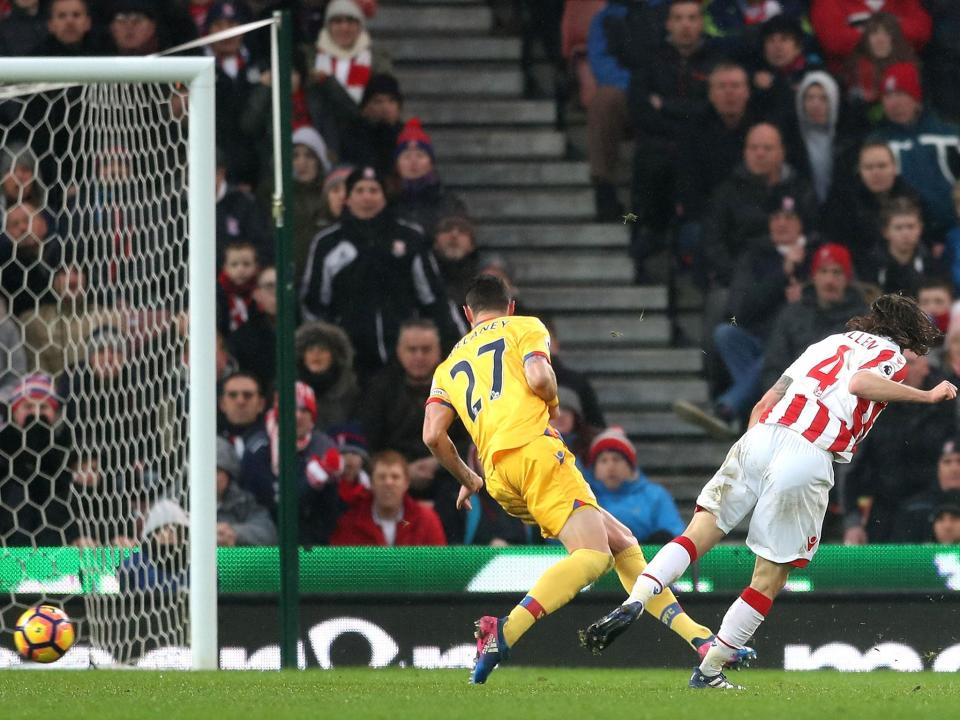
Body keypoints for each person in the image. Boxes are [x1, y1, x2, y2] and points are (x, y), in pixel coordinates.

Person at [581, 293, 955, 690]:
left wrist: (754, 452)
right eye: (916, 350)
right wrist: (926, 396)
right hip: (808, 451)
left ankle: (635, 599)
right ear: (907, 340)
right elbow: (860, 382)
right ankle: (709, 672)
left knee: (696, 536)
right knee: (769, 577)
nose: (914, 360)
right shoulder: (889, 355)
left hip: (760, 438)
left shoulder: (827, 343)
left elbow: (764, 401)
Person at [422, 274, 752, 684]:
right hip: (536, 452)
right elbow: (540, 378)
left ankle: (700, 640)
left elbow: (433, 435)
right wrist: (553, 400)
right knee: (593, 556)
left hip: (498, 476)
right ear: (509, 307)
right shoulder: (525, 327)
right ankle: (503, 630)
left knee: (623, 543)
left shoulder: (446, 367)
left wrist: (467, 477)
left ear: (468, 314)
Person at [676, 194, 811, 436]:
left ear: (801, 223)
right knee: (726, 334)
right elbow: (743, 307)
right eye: (776, 217)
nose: (781, 223)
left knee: (773, 357)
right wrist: (782, 274)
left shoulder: (817, 255)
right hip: (759, 338)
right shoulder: (754, 256)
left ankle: (728, 409)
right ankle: (756, 411)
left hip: (800, 345)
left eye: (789, 217)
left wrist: (805, 300)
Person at [300, 165, 443, 379]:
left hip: (404, 355)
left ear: (384, 196)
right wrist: (333, 343)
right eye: (359, 190)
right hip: (350, 358)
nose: (367, 196)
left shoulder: (410, 237)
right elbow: (314, 301)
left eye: (374, 190)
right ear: (347, 198)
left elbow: (432, 295)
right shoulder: (327, 243)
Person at [842, 350, 955, 543]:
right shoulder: (875, 405)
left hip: (933, 509)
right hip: (884, 506)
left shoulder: (946, 402)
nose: (902, 369)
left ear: (925, 367)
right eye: (898, 364)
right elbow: (851, 465)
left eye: (909, 363)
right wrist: (852, 522)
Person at [760, 243, 868, 391]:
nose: (829, 280)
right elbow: (774, 366)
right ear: (814, 277)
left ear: (847, 278)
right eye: (823, 272)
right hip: (794, 398)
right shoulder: (792, 314)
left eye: (837, 272)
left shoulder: (863, 319)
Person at [874, 62, 960, 240]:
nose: (894, 102)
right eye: (888, 96)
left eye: (900, 94)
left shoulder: (948, 135)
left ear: (915, 97)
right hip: (903, 234)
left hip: (951, 230)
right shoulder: (877, 143)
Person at [822, 139, 922, 277]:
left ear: (894, 168)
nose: (876, 173)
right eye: (869, 167)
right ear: (860, 171)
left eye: (882, 166)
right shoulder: (844, 203)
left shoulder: (912, 197)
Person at [0, 373, 78, 546]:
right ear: (14, 412)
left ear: (55, 413)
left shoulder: (65, 448)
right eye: (28, 407)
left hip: (55, 540)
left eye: (43, 408)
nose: (35, 414)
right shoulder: (3, 444)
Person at [585, 428, 685, 544]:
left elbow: (675, 534)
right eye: (603, 461)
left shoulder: (655, 496)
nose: (610, 467)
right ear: (595, 469)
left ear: (631, 467)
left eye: (616, 459)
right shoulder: (584, 497)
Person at [329, 450, 446, 546]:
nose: (388, 483)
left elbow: (440, 569)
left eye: (395, 477)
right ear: (371, 483)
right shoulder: (350, 523)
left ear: (406, 483)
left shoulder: (426, 521)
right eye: (381, 477)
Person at [392, 118, 467, 239]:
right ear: (397, 165)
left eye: (420, 155)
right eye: (406, 156)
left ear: (430, 163)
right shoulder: (387, 201)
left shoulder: (448, 203)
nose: (413, 162)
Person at [295, 320, 360, 432]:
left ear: (334, 356)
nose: (316, 354)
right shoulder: (288, 388)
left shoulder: (350, 390)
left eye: (322, 349)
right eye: (310, 350)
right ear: (302, 356)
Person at [889, 440, 960, 542]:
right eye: (947, 462)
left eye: (959, 461)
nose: (954, 469)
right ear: (938, 468)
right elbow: (900, 553)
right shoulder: (915, 508)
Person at [215, 437, 277, 546]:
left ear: (229, 475)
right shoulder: (180, 499)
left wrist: (233, 532)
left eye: (217, 471)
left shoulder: (242, 501)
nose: (210, 477)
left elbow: (268, 534)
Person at [227, 265, 277, 391]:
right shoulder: (241, 338)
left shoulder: (305, 333)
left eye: (281, 284)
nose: (277, 291)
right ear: (256, 294)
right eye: (270, 286)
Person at [217, 240, 260, 335]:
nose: (240, 270)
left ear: (256, 267)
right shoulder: (217, 293)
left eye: (246, 264)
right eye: (234, 264)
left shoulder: (260, 294)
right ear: (225, 267)